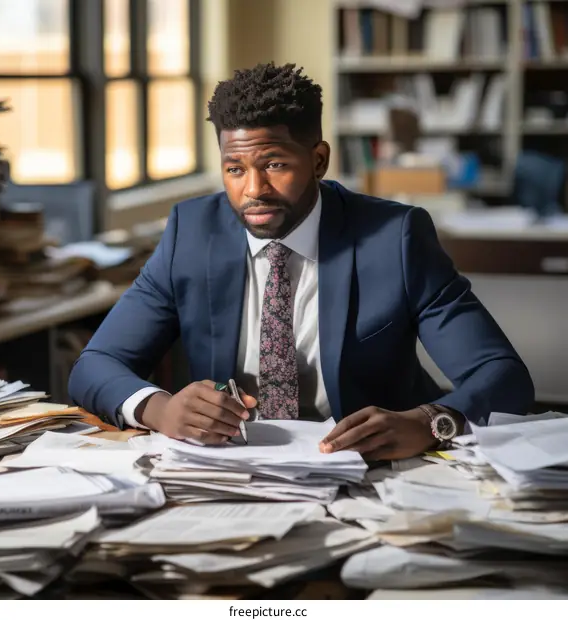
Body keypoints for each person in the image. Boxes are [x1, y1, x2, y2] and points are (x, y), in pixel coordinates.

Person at [68, 62, 534, 460]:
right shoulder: (191, 233)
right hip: (235, 471)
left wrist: (430, 422)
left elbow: (502, 375)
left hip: (375, 473)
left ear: (318, 160)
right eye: (235, 168)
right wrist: (159, 409)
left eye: (274, 165)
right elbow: (96, 365)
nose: (253, 190)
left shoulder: (395, 237)